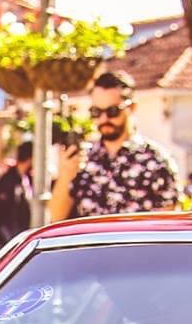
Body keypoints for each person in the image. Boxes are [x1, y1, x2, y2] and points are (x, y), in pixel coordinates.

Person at [50, 72, 181, 220]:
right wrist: (66, 174)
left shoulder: (157, 161)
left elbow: (169, 225)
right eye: (96, 112)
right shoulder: (83, 158)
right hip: (91, 242)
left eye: (112, 111)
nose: (104, 119)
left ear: (131, 108)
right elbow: (55, 217)